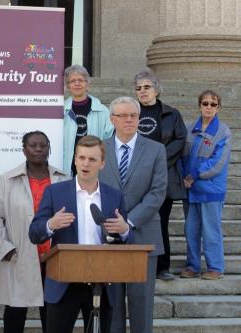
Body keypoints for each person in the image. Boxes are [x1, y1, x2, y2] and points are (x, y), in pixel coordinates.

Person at [29, 135, 130, 333]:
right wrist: (51, 224)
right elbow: (34, 233)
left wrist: (125, 230)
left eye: (92, 159)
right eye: (81, 158)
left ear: (102, 164)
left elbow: (125, 241)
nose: (85, 163)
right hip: (64, 281)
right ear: (75, 160)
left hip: (102, 281)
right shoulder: (55, 192)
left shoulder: (114, 196)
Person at [0, 131, 69, 333]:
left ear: (49, 148)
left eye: (43, 145)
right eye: (33, 145)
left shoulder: (64, 179)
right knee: (15, 313)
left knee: (52, 314)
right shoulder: (8, 180)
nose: (38, 149)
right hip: (20, 256)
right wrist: (5, 249)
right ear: (24, 150)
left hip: (54, 256)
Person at [98, 97, 167, 333]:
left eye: (133, 115)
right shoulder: (99, 149)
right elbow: (91, 188)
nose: (129, 120)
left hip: (144, 236)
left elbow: (158, 192)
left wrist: (127, 223)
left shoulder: (156, 149)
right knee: (113, 307)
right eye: (123, 115)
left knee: (142, 304)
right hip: (108, 237)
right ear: (112, 119)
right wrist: (109, 223)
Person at [133, 69, 187, 281]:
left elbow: (180, 140)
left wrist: (158, 158)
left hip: (163, 176)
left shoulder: (171, 114)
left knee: (161, 221)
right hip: (136, 176)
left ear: (156, 89)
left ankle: (162, 266)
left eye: (147, 87)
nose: (142, 91)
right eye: (138, 88)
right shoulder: (132, 112)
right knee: (137, 221)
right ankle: (138, 263)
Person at [180, 90, 231, 280]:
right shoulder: (189, 128)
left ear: (219, 107)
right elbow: (181, 155)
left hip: (210, 189)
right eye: (205, 103)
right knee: (191, 229)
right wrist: (183, 177)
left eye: (213, 104)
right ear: (199, 105)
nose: (209, 107)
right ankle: (192, 266)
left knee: (211, 230)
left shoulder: (223, 132)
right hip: (190, 189)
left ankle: (215, 268)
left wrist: (193, 175)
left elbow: (218, 163)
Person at [63, 65, 113, 175]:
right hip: (68, 166)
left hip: (93, 165)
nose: (77, 83)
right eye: (72, 81)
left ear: (87, 84)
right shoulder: (61, 111)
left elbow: (109, 140)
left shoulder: (102, 111)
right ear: (68, 86)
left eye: (80, 80)